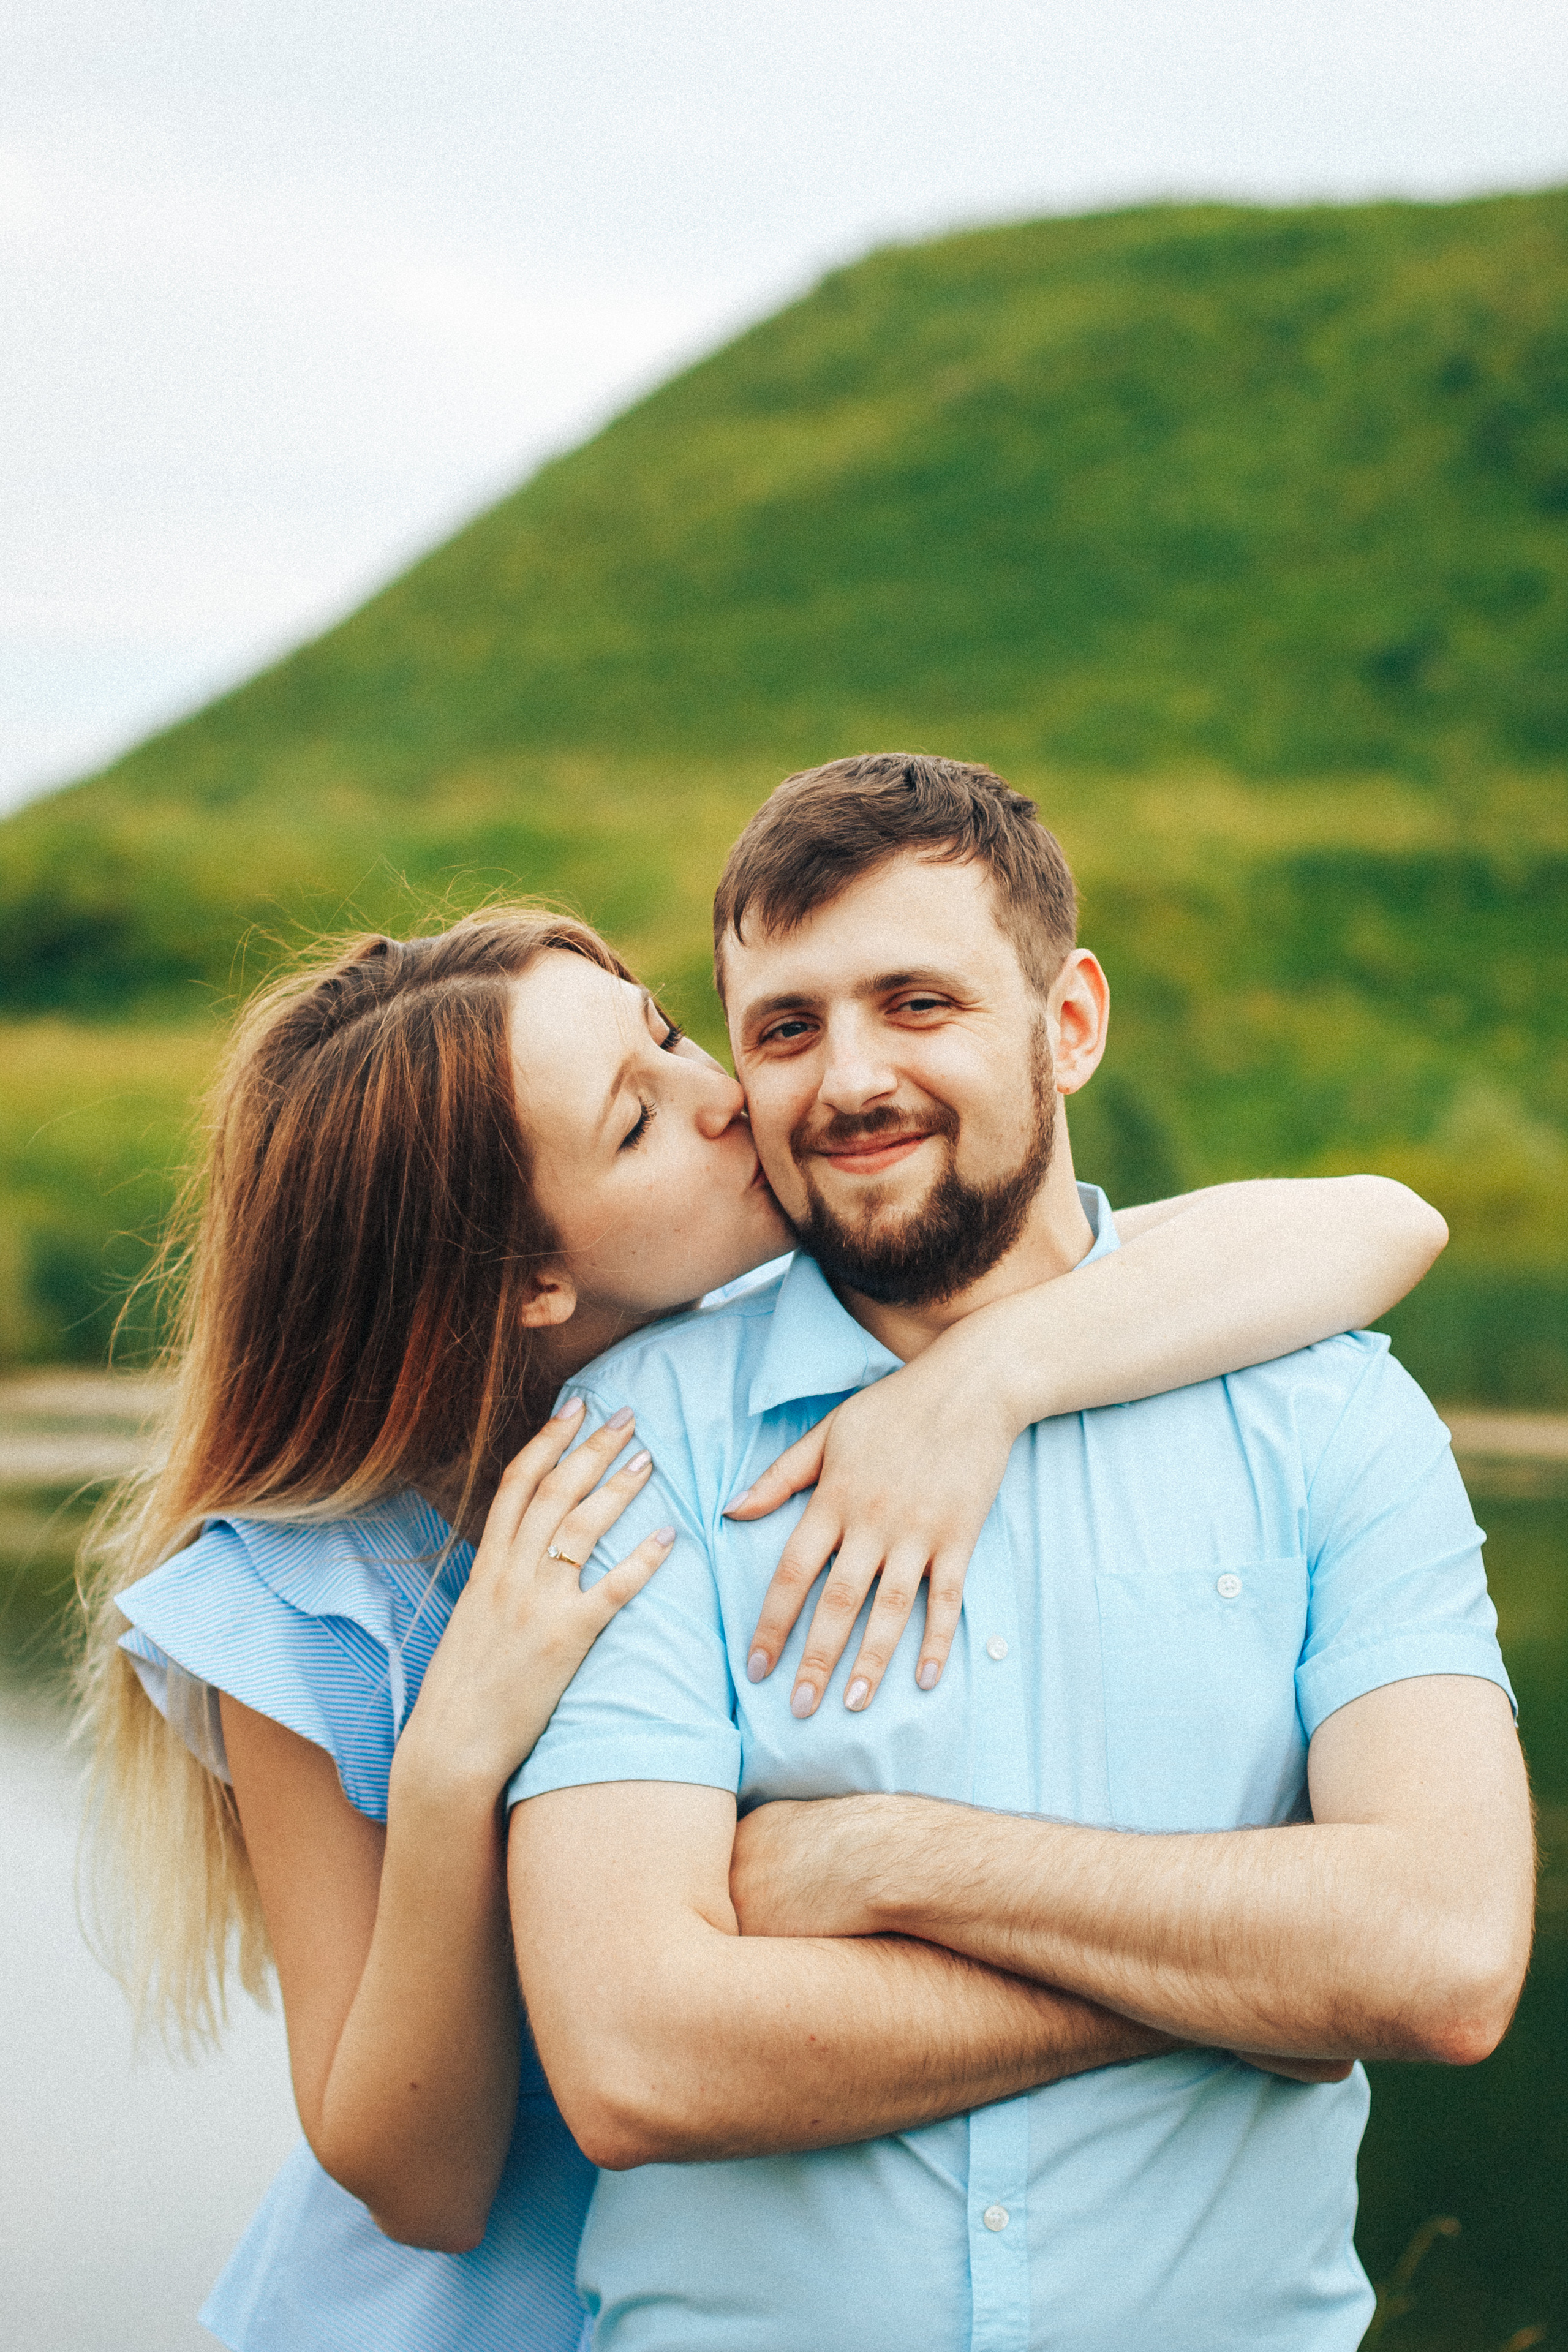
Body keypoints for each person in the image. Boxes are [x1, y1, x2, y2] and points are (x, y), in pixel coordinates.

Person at [86, 894, 1442, 2352]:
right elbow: (417, 2187)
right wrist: (449, 1766)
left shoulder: (789, 1376)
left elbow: (1373, 1222)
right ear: (532, 1277)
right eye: (637, 1121)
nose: (728, 1100)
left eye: (669, 1035)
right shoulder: (311, 1601)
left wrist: (981, 1383)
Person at [507, 755, 1536, 2352]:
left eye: (917, 1002)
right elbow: (639, 2054)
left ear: (1070, 1023)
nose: (848, 1079)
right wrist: (1245, 1996)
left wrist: (881, 1863)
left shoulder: (1329, 1414)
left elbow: (1446, 1956)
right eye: (785, 1026)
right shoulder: (633, 1447)